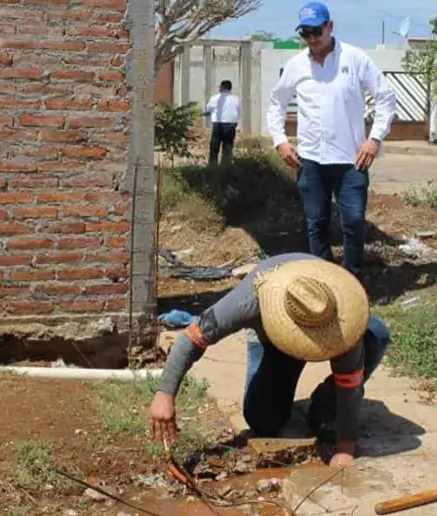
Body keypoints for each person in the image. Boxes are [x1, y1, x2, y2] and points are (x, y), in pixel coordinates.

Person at [147, 253, 392, 469]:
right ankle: (285, 379)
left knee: (376, 335)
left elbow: (350, 383)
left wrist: (345, 448)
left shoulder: (342, 320)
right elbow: (191, 338)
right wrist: (165, 394)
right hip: (274, 345)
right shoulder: (250, 299)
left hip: (331, 325)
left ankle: (325, 406)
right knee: (263, 420)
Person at [265, 2, 397, 280]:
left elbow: (386, 97)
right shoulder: (296, 65)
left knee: (353, 221)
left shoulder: (355, 59)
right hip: (310, 161)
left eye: (317, 31)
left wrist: (374, 139)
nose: (312, 38)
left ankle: (352, 281)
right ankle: (324, 282)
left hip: (352, 161)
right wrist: (280, 141)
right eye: (306, 33)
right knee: (316, 224)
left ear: (330, 27)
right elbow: (277, 104)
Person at [203, 80, 241, 166]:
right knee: (228, 146)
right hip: (231, 124)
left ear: (222, 87)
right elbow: (238, 112)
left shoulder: (214, 98)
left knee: (215, 146)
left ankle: (213, 165)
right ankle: (226, 166)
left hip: (218, 124)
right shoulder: (236, 99)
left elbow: (208, 109)